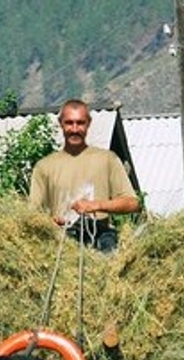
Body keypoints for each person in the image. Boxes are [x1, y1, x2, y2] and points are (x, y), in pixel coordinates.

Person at [28, 99, 140, 253]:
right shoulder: (44, 167)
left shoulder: (108, 159)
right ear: (61, 124)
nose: (75, 129)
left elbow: (132, 203)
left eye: (80, 123)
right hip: (61, 241)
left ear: (88, 124)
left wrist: (97, 205)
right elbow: (33, 214)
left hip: (100, 236)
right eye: (69, 123)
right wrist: (50, 221)